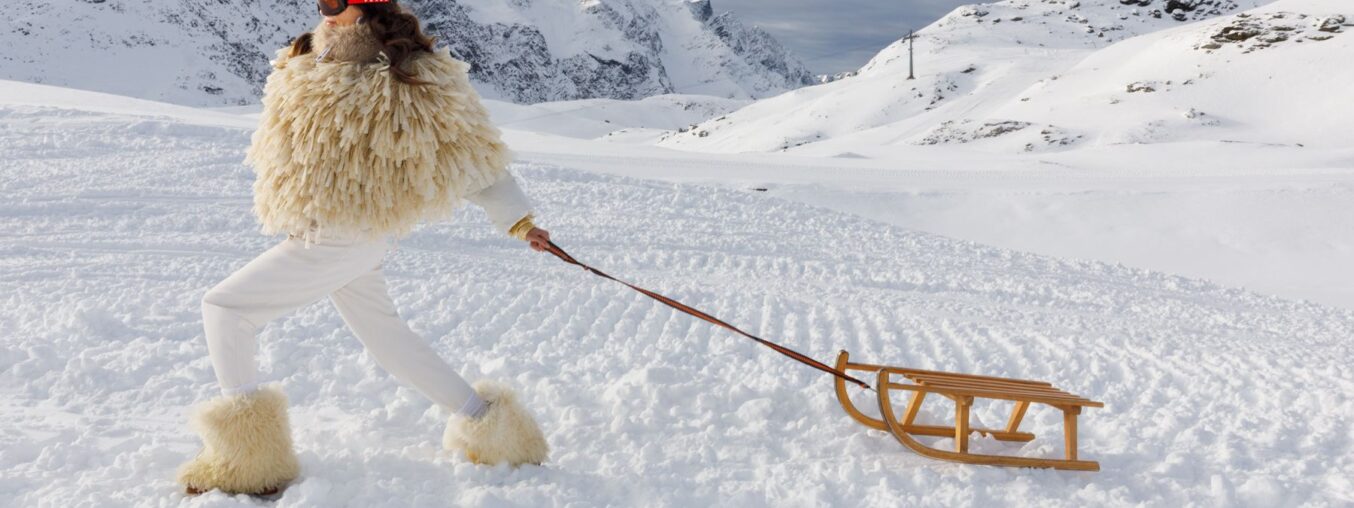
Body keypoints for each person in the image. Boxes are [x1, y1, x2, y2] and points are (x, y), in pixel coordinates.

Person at [176, 0, 550, 496]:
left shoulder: (409, 70)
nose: (326, 9)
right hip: (346, 236)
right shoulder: (310, 55)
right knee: (387, 340)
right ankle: (495, 431)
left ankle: (248, 458)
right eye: (322, 1)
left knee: (226, 308)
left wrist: (519, 221)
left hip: (342, 236)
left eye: (338, 1)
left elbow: (471, 152)